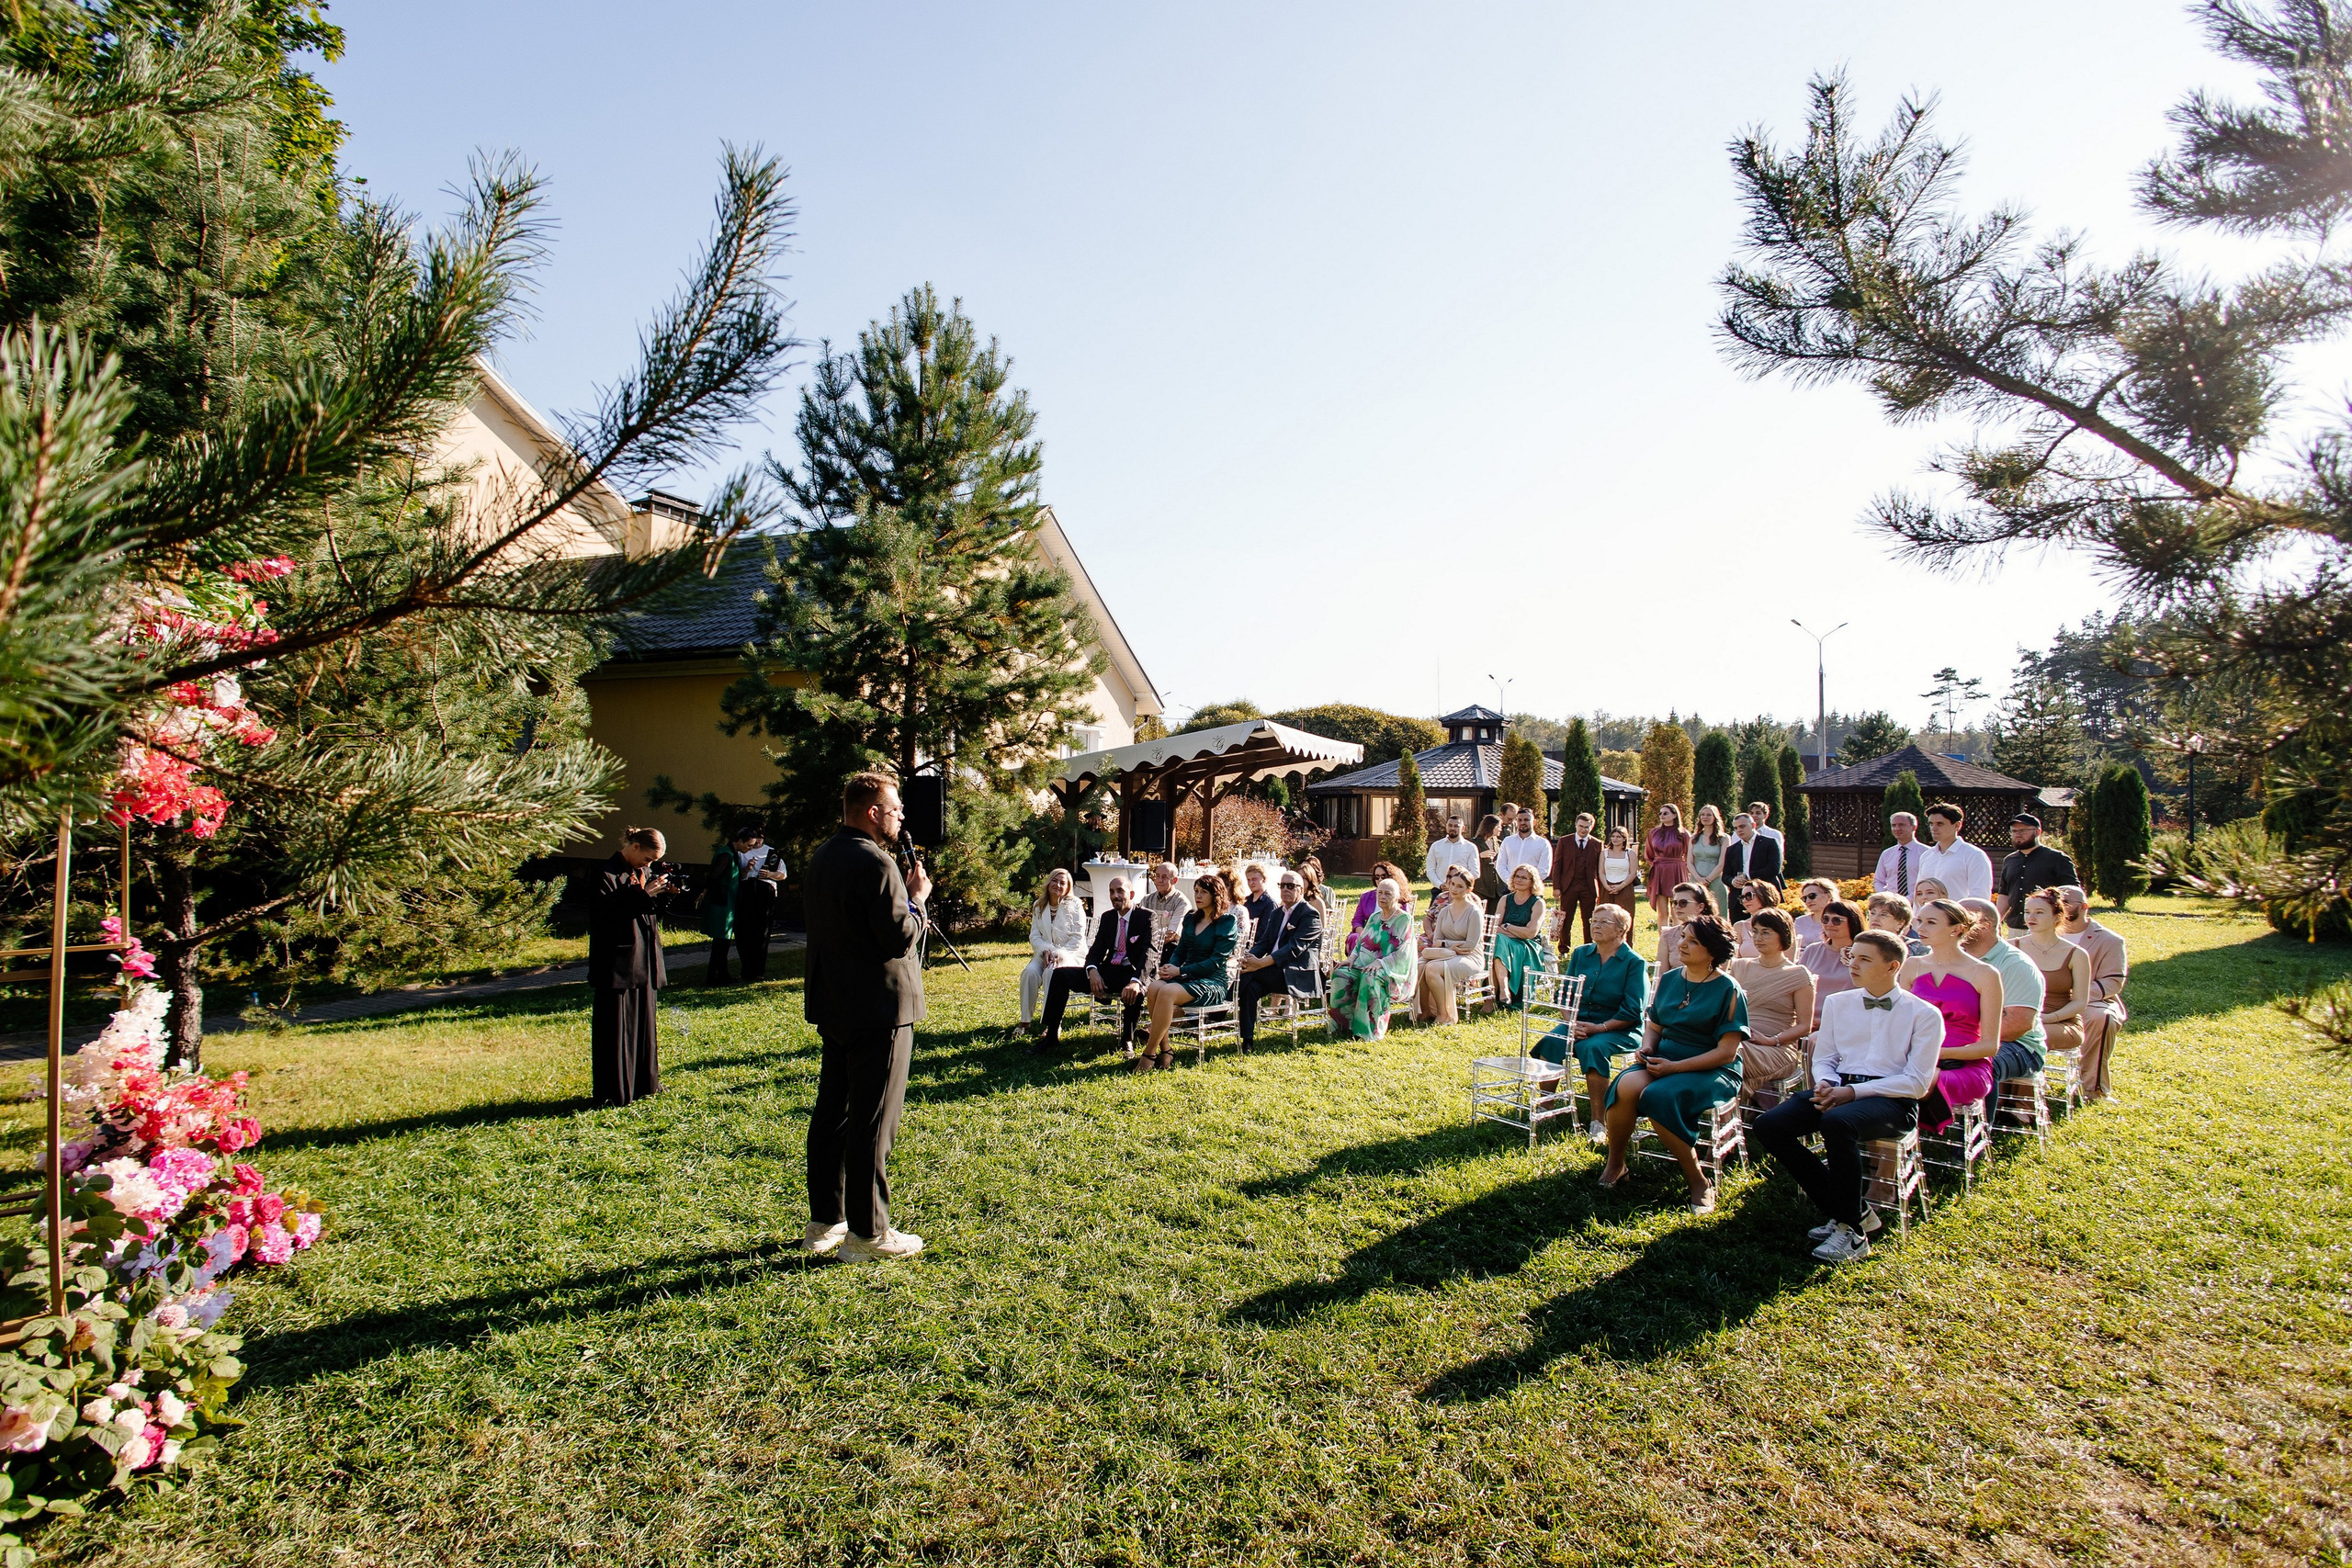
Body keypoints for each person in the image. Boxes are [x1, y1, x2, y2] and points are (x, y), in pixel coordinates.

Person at [1749, 931, 1945, 1265]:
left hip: (1893, 1100)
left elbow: (1916, 1083)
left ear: (1892, 966)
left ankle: (1852, 1233)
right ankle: (1852, 1210)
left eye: (1864, 959)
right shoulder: (1839, 1003)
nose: (1853, 964)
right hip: (1839, 1087)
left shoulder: (1924, 1014)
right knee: (1770, 1125)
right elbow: (1825, 1056)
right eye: (1852, 957)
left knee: (1838, 1122)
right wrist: (1827, 1083)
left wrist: (1852, 1093)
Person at [803, 772, 931, 1261]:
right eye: (895, 809)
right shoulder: (877, 862)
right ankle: (868, 1233)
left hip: (836, 1004)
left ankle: (826, 1220)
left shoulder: (823, 855)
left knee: (833, 1115)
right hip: (880, 1009)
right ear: (873, 812)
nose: (901, 816)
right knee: (874, 1121)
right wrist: (917, 899)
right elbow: (898, 936)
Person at [1597, 912, 1748, 1214]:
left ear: (1712, 952)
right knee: (1625, 1085)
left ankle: (1699, 1181)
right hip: (1663, 1058)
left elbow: (1727, 1053)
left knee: (1658, 1096)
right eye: (1683, 938)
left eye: (1693, 941)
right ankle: (1616, 1163)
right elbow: (1654, 1025)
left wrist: (1675, 1068)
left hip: (1712, 1068)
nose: (1682, 945)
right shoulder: (1669, 979)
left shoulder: (1729, 989)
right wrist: (1647, 1047)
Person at [1530, 902, 1649, 1144]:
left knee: (1593, 1048)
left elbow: (1633, 1011)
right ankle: (1546, 1105)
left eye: (1604, 922)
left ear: (1621, 929)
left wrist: (1600, 1028)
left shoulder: (1634, 962)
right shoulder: (1581, 954)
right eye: (1594, 920)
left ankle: (1599, 1121)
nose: (1596, 925)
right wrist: (1572, 1023)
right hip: (1579, 1022)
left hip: (1619, 1027)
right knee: (1552, 1041)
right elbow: (1564, 995)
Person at [1898, 899, 2005, 1136]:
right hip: (1915, 1057)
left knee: (1913, 1081)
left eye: (1931, 922)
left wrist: (1938, 1054)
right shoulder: (1912, 965)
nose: (1921, 928)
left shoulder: (1985, 973)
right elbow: (1900, 1022)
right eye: (1920, 921)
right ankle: (1884, 1149)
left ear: (1956, 929)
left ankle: (1900, 1144)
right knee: (1880, 1075)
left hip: (1965, 1065)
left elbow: (1990, 1046)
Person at [590, 827, 673, 1109]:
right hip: (617, 963)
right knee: (616, 1028)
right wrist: (643, 895)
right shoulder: (605, 874)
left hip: (644, 959)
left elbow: (647, 912)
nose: (649, 865)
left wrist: (663, 894)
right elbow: (605, 916)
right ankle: (615, 1091)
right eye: (648, 858)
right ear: (634, 846)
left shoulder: (643, 873)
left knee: (644, 1025)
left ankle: (645, 1084)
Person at [1035, 874, 1154, 1056]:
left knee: (1134, 991)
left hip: (1133, 971)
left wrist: (1136, 981)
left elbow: (1150, 954)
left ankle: (1127, 1040)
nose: (1115, 896)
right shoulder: (1108, 917)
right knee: (1059, 975)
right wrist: (1092, 971)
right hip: (1109, 971)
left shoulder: (1146, 917)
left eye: (1120, 891)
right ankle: (1051, 1036)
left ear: (1131, 894)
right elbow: (1096, 951)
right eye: (1111, 892)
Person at [1958, 896, 2048, 1122]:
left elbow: (2018, 1025)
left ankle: (1977, 1134)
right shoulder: (1948, 959)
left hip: (2020, 1045)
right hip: (1960, 1038)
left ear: (1985, 926)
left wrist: (1960, 1042)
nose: (1952, 925)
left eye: (1961, 920)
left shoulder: (2015, 965)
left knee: (1981, 1063)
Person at [1136, 875, 1238, 1072]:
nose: (1198, 896)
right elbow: (1180, 950)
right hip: (1186, 977)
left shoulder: (1227, 921)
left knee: (1167, 992)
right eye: (1196, 891)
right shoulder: (1191, 918)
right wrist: (1170, 967)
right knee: (1155, 986)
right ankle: (1166, 1049)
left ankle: (1149, 1053)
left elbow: (1216, 962)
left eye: (1204, 892)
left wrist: (1180, 970)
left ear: (1216, 895)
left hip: (1212, 981)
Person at [1728, 907, 1815, 1111]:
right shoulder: (1739, 966)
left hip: (1778, 1047)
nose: (1758, 938)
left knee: (1729, 1052)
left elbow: (1805, 1026)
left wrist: (1771, 1040)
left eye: (1766, 932)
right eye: (1755, 932)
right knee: (1719, 1046)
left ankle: (1726, 1115)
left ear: (1783, 935)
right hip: (1739, 1037)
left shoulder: (1798, 974)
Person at [1237, 868, 1324, 1051]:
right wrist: (1248, 958)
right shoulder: (1277, 913)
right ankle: (1247, 1040)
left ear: (1301, 890)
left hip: (1298, 973)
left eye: (1290, 886)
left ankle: (1219, 1010)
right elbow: (1264, 943)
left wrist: (1259, 964)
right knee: (1250, 986)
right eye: (1282, 885)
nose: (1285, 889)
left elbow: (1293, 949)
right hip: (1272, 972)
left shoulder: (1310, 914)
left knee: (1247, 975)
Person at [2057, 885, 2129, 1101]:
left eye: (2066, 902)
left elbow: (2113, 982)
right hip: (2046, 999)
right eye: (2056, 902)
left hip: (2093, 1000)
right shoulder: (2039, 936)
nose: (2060, 906)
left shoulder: (2110, 940)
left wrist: (2076, 996)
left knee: (2101, 1018)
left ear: (2084, 907)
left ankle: (2094, 1089)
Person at [1329, 877, 1416, 1039]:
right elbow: (1361, 942)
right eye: (1380, 893)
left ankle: (1367, 1031)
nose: (1382, 896)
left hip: (1391, 971)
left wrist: (1381, 963)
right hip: (1365, 964)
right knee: (1341, 973)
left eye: (1387, 893)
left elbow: (1404, 952)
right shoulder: (1375, 917)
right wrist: (1352, 958)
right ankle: (1342, 1026)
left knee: (1370, 976)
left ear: (1397, 897)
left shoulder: (1404, 919)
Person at [2015, 889, 2093, 1056]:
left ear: (2057, 917)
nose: (2031, 917)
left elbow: (2080, 1002)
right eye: (2027, 912)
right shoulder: (2011, 947)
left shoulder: (2077, 954)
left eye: (2039, 912)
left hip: (2060, 1022)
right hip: (2017, 1019)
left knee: (2021, 1036)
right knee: (2006, 1033)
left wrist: (2049, 1018)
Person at [1413, 866, 1487, 1025]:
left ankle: (1444, 1014)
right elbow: (1437, 941)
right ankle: (1426, 1010)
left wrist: (1447, 945)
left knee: (1432, 968)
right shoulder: (1445, 911)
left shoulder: (1474, 912)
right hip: (1447, 953)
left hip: (1470, 957)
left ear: (1469, 890)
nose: (1454, 889)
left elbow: (1470, 945)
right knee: (1420, 966)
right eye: (1452, 884)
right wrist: (1450, 946)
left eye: (1460, 886)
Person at [1020, 869, 1088, 1032]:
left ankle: (1052, 1024)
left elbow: (1077, 938)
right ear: (1048, 882)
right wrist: (1046, 951)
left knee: (1052, 972)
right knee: (1029, 973)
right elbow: (1034, 936)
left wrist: (1057, 955)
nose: (1058, 885)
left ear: (1068, 887)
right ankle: (1025, 1021)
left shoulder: (1075, 904)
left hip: (1070, 955)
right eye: (1054, 881)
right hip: (1043, 954)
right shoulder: (1039, 905)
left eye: (1062, 883)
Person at [1996, 813, 2080, 931]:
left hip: (2047, 926)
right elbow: (2004, 894)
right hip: (2015, 927)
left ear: (2037, 832)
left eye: (2023, 830)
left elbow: (2072, 891)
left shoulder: (2057, 858)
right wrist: (1996, 922)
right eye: (2014, 831)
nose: (2018, 834)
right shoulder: (2009, 860)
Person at [1490, 863, 1550, 1006]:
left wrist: (1508, 926)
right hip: (1506, 942)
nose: (1519, 880)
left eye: (1524, 878)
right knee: (1499, 940)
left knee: (1499, 942)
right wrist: (1518, 932)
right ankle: (1503, 991)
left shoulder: (1538, 903)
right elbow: (1494, 928)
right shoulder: (1505, 899)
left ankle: (1495, 997)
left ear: (1532, 882)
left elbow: (1531, 933)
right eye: (1517, 876)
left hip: (1528, 945)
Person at [1800, 897, 1865, 1025]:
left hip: (1845, 1023)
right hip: (1807, 1022)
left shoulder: (1864, 955)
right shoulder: (1812, 950)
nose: (1829, 924)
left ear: (1853, 922)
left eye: (1837, 920)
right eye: (1825, 919)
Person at [1914, 802, 1995, 903]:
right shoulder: (1927, 856)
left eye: (1940, 824)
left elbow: (1980, 896)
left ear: (1957, 825)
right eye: (1931, 824)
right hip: (1929, 912)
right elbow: (1919, 893)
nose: (1933, 828)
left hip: (1959, 913)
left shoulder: (1974, 855)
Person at [1551, 810, 1604, 949]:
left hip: (1588, 887)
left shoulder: (1597, 844)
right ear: (1576, 825)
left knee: (1589, 919)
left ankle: (1589, 947)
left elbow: (1600, 868)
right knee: (1566, 918)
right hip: (1568, 886)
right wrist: (1556, 887)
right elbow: (1557, 865)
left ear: (1591, 827)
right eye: (1581, 826)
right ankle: (1564, 947)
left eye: (1586, 827)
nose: (1583, 829)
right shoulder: (1564, 841)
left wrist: (1600, 890)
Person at [1349, 859, 1415, 952]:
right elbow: (1357, 921)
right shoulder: (1365, 897)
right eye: (1377, 877)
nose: (1380, 879)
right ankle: (1357, 960)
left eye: (1384, 876)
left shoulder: (1401, 898)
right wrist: (1363, 933)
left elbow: (1404, 923)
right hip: (1367, 933)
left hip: (1391, 935)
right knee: (1354, 938)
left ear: (1391, 877)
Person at [1721, 811, 1783, 909]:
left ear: (1753, 825)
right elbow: (1725, 876)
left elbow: (1774, 869)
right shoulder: (1732, 849)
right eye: (1736, 828)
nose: (1739, 830)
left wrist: (1748, 876)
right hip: (1739, 898)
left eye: (1742, 826)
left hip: (1764, 895)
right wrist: (1733, 881)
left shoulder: (1770, 843)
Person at [1642, 803, 1692, 921]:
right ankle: (1663, 933)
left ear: (1675, 815)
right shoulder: (1654, 833)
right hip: (1659, 871)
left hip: (1677, 870)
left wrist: (1686, 870)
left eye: (1665, 813)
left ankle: (1678, 933)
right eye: (1660, 813)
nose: (1662, 815)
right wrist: (1657, 866)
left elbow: (1689, 855)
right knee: (1662, 912)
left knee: (1677, 910)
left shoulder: (1684, 834)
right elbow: (1648, 854)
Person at [1138, 860, 1193, 972]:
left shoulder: (1182, 903)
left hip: (1168, 950)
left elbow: (1171, 935)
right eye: (1157, 876)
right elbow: (1137, 927)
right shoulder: (1147, 900)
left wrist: (1150, 943)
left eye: (1164, 877)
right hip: (1147, 946)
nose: (1159, 880)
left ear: (1174, 880)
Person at [1655, 881, 1710, 972]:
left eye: (1683, 903)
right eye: (1674, 903)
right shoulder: (1667, 935)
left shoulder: (1712, 933)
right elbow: (1661, 974)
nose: (1677, 907)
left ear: (1700, 907)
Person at [1688, 803, 1730, 917]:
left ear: (1715, 817)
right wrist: (1699, 879)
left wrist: (1708, 879)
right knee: (1696, 912)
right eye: (1702, 815)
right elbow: (1689, 862)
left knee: (1718, 913)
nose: (1705, 817)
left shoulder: (1724, 838)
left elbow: (1722, 863)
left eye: (1708, 815)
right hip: (1696, 878)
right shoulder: (1694, 838)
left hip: (1716, 879)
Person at [1496, 807, 1554, 889]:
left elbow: (1544, 870)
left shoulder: (1543, 843)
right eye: (1520, 820)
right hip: (1509, 888)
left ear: (1534, 822)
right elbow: (1500, 865)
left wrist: (1527, 883)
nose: (1522, 822)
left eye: (1526, 820)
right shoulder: (1507, 841)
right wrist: (1512, 882)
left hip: (1532, 889)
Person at [1425, 815, 1480, 895]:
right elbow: (1430, 870)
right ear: (1446, 826)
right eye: (1450, 825)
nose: (1453, 828)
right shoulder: (1436, 846)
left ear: (1463, 828)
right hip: (1439, 890)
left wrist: (1458, 885)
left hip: (1461, 892)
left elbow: (1475, 872)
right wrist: (1440, 885)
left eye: (1456, 826)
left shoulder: (1470, 848)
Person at [1874, 811, 1925, 897]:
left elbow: (1929, 882)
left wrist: (1908, 899)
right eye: (1894, 825)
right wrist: (1887, 897)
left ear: (1914, 827)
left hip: (1918, 902)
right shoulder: (1886, 854)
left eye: (1901, 825)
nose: (1897, 829)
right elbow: (1878, 881)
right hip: (1891, 902)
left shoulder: (1926, 853)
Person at [1731, 879, 1782, 958]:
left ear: (1764, 895)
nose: (1744, 900)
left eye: (1749, 896)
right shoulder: (1739, 926)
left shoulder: (1781, 923)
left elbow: (1789, 959)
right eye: (1742, 897)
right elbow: (1735, 960)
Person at [1866, 892, 1928, 956]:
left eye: (1883, 914)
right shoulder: (1861, 944)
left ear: (1900, 923)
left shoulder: (1918, 950)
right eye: (1872, 913)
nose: (1875, 918)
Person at [1599, 826, 1639, 919]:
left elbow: (1633, 873)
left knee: (1624, 916)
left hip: (1625, 887)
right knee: (1606, 916)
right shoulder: (1604, 853)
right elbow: (1601, 872)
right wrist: (1606, 886)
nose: (1615, 839)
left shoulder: (1630, 853)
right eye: (1613, 836)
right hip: (1607, 887)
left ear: (1624, 839)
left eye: (1618, 837)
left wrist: (1620, 886)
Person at [1793, 877, 1838, 947]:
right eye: (1804, 898)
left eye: (1812, 896)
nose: (1808, 901)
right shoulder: (1799, 922)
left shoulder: (1840, 921)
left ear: (1829, 896)